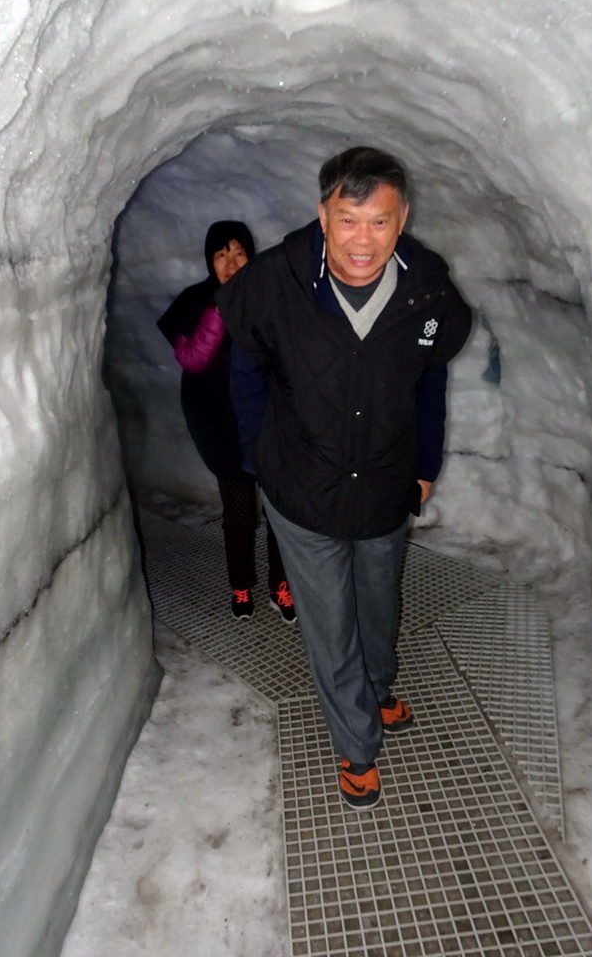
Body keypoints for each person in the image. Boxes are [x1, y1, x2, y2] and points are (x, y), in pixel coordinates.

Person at [218, 148, 472, 809]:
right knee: (330, 621)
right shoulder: (273, 284)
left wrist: (424, 466)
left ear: (402, 219)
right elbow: (243, 368)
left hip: (386, 480)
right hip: (302, 489)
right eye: (350, 219)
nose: (364, 239)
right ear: (323, 215)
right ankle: (356, 744)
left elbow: (431, 378)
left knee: (378, 602)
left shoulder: (427, 289)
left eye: (380, 222)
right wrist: (259, 457)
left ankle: (379, 689)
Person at [157, 221, 295, 623]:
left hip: (272, 426)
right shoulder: (195, 301)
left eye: (239, 252)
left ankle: (280, 585)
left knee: (280, 515)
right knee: (238, 515)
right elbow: (193, 360)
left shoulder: (270, 299)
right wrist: (221, 310)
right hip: (221, 428)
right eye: (221, 254)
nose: (231, 262)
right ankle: (241, 582)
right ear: (209, 261)